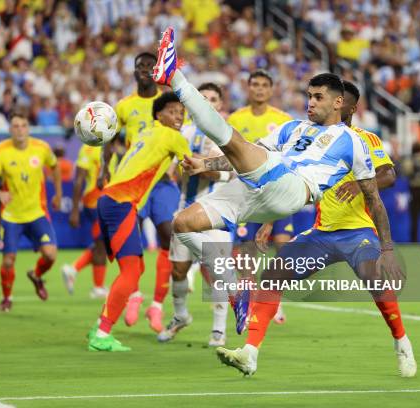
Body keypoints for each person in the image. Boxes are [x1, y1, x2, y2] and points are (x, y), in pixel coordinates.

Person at [152, 26, 401, 368]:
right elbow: (246, 158)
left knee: (234, 140)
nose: (310, 102)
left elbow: (374, 196)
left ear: (338, 103)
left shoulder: (354, 140)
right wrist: (204, 164)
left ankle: (174, 77)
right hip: (256, 186)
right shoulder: (291, 128)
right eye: (309, 96)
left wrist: (386, 247)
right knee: (184, 224)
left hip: (293, 187)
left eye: (318, 97)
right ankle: (235, 288)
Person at [236, 80, 416, 378]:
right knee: (272, 275)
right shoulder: (308, 136)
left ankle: (401, 341)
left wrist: (356, 186)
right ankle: (250, 352)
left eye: (336, 100)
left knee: (374, 280)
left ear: (347, 106)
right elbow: (286, 178)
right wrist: (270, 220)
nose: (320, 104)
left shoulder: (363, 139)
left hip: (357, 231)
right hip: (322, 233)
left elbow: (388, 174)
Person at [87, 92, 191, 351]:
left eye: (181, 112)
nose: (178, 116)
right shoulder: (173, 137)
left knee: (135, 270)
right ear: (159, 115)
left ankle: (103, 325)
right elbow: (194, 165)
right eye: (172, 111)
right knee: (132, 272)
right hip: (121, 203)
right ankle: (102, 332)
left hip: (111, 200)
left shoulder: (145, 134)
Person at [158, 82, 233, 347]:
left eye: (213, 99)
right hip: (186, 210)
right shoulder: (183, 132)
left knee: (217, 272)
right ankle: (180, 316)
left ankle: (218, 330)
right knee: (178, 271)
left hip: (216, 213)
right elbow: (170, 171)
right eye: (203, 98)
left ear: (220, 105)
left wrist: (197, 163)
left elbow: (222, 173)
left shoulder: (226, 135)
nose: (208, 103)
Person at [113, 52, 177, 332]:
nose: (144, 70)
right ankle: (135, 294)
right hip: (133, 185)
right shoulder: (124, 106)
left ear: (157, 71)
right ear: (133, 70)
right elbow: (110, 140)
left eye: (150, 66)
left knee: (169, 239)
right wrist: (107, 168)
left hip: (162, 183)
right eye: (139, 65)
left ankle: (157, 306)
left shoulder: (168, 104)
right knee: (131, 241)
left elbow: (178, 136)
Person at [227, 69, 294, 325]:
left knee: (282, 247)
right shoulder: (236, 118)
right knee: (246, 253)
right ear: (248, 88)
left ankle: (273, 301)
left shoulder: (283, 120)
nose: (259, 89)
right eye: (255, 84)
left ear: (271, 89)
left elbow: (288, 159)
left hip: (278, 193)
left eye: (264, 85)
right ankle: (250, 300)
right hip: (247, 194)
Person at [0, 112, 62, 312]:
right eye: (16, 126)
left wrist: (58, 195)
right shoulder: (0, 150)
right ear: (10, 130)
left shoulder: (42, 148)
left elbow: (55, 167)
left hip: (37, 212)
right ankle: (7, 298)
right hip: (12, 216)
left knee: (51, 255)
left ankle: (36, 276)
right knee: (9, 260)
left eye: (24, 125)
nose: (20, 130)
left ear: (29, 128)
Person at [61, 143, 109, 299]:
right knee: (102, 245)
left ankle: (73, 269)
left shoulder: (112, 145)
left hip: (108, 200)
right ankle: (98, 287)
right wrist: (75, 210)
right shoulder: (89, 148)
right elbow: (79, 180)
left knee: (102, 243)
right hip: (95, 201)